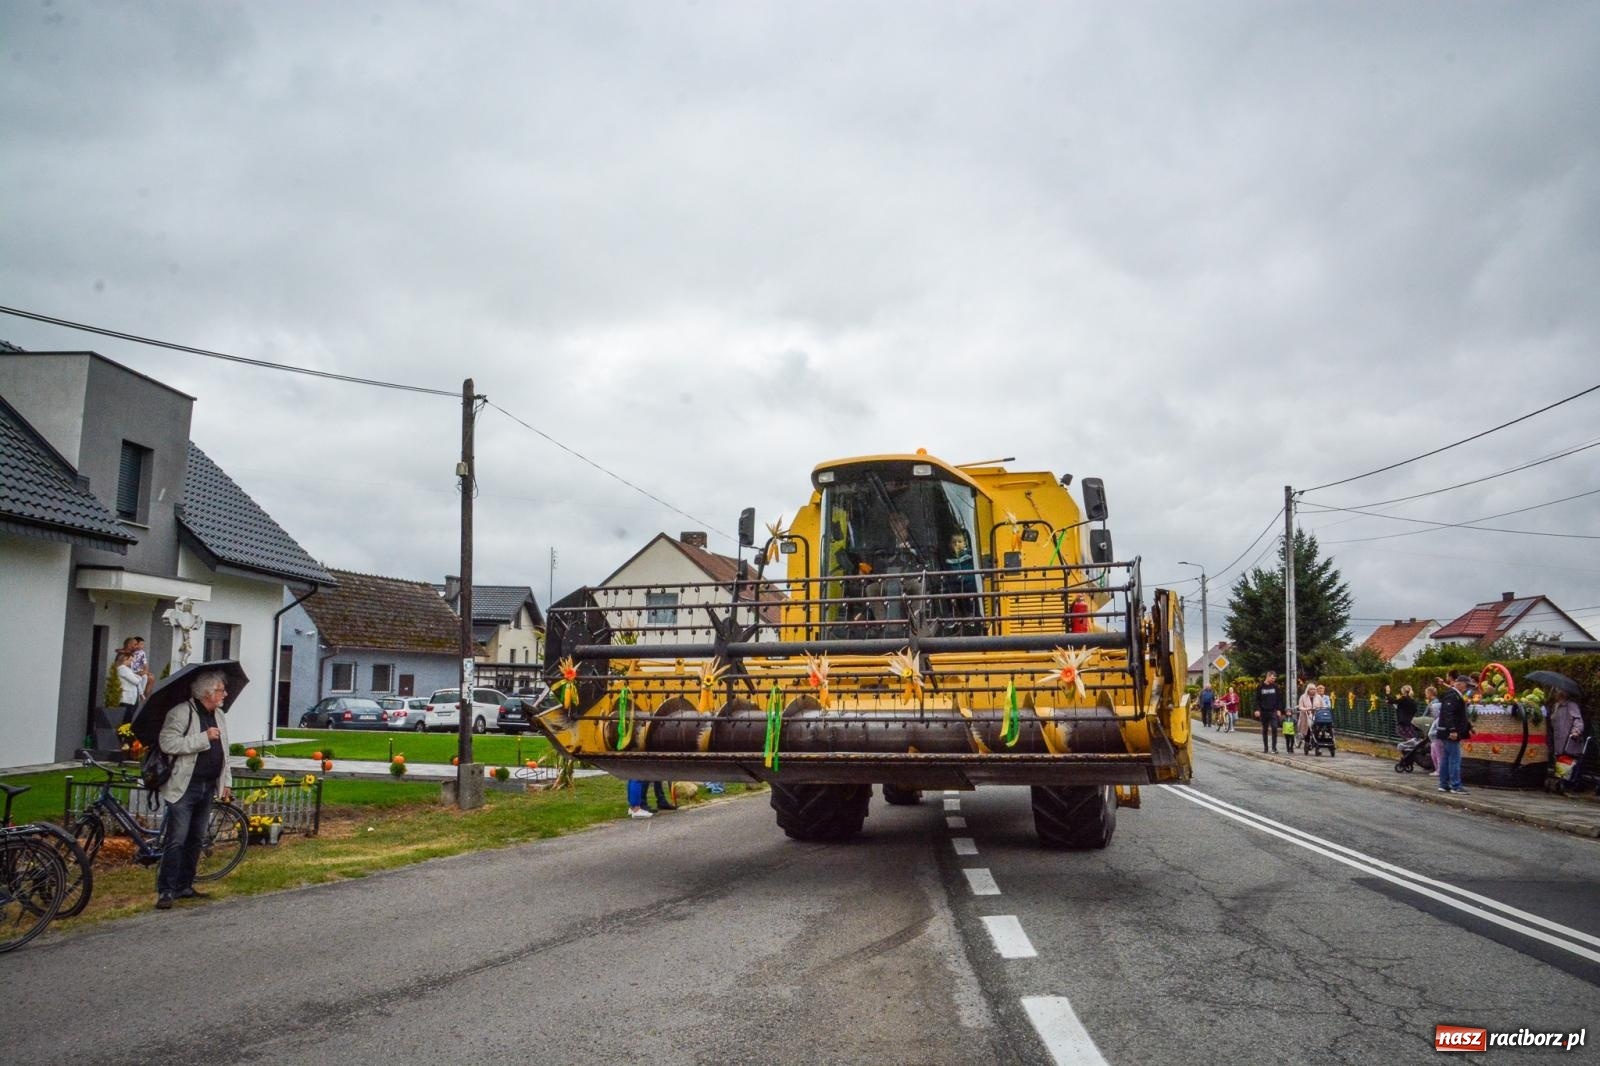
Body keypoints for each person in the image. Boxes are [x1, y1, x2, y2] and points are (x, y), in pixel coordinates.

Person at [155, 670, 233, 910]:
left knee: (196, 838)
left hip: (207, 785)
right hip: (184, 786)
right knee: (177, 839)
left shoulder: (219, 715)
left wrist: (226, 782)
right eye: (220, 690)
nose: (224, 694)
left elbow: (225, 753)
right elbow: (167, 743)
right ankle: (166, 890)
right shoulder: (181, 713)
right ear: (207, 692)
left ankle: (185, 885)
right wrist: (202, 738)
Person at [1435, 675, 1472, 795]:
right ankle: (1455, 786)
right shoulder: (1453, 695)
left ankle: (1444, 784)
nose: (1467, 688)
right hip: (1449, 732)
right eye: (1466, 685)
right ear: (1460, 684)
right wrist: (1452, 730)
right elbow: (1449, 713)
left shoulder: (1453, 694)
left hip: (1445, 731)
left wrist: (1470, 727)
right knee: (1455, 759)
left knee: (1446, 758)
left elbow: (1459, 715)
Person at [1255, 671, 1284, 753]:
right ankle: (1266, 747)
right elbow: (1257, 699)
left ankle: (1274, 748)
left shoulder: (1275, 687)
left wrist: (1279, 709)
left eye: (1274, 678)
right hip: (1264, 711)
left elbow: (1279, 699)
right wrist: (1257, 709)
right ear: (1267, 677)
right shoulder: (1260, 686)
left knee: (1274, 728)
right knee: (1265, 729)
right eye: (1272, 678)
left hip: (1273, 711)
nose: (1273, 680)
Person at [115, 651, 144, 727]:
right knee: (126, 720)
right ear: (125, 659)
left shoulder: (126, 669)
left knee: (129, 720)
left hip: (130, 699)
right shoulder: (122, 668)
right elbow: (136, 681)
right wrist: (139, 677)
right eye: (130, 660)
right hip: (126, 698)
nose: (131, 662)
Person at [1292, 683, 1316, 754]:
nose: (1313, 690)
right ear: (1308, 690)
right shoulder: (1303, 697)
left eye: (1314, 689)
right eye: (1311, 689)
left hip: (1316, 715)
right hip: (1306, 715)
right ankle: (1307, 742)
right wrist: (1305, 709)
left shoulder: (1317, 697)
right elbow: (1300, 706)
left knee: (1317, 728)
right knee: (1307, 729)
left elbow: (1321, 704)